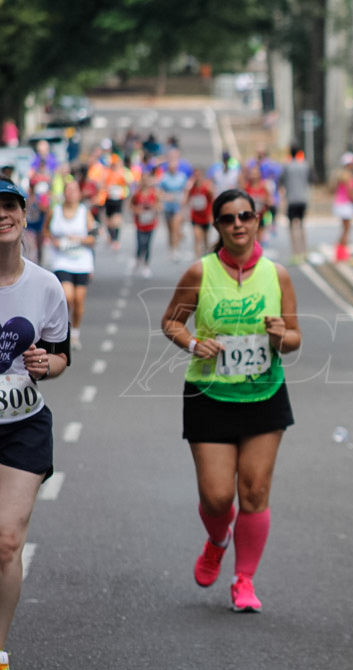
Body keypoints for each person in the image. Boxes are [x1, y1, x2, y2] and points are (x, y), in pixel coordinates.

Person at [160, 189, 302, 613]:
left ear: (257, 220)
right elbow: (170, 321)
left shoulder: (278, 275)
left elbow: (294, 340)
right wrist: (192, 342)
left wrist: (280, 335)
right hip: (209, 395)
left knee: (255, 492)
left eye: (245, 215)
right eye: (227, 219)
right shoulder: (199, 273)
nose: (237, 224)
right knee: (218, 497)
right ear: (218, 227)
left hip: (264, 394)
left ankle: (244, 580)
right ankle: (218, 539)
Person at [0, 178, 70, 670]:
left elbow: (63, 354)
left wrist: (48, 364)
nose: (2, 215)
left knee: (6, 541)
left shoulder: (46, 286)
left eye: (10, 206)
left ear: (24, 217)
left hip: (22, 424)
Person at [44, 178, 97, 351]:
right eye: (69, 190)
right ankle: (62, 331)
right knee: (67, 297)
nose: (71, 193)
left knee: (79, 301)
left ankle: (75, 333)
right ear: (64, 192)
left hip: (81, 261)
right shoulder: (55, 211)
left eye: (75, 190)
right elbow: (46, 229)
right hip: (62, 260)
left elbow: (92, 238)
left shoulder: (84, 212)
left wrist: (79, 239)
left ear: (79, 194)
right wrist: (53, 241)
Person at [278, 146, 311, 264]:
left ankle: (295, 253)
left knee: (292, 227)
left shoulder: (286, 166)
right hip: (303, 199)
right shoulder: (304, 165)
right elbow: (310, 179)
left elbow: (280, 182)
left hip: (291, 200)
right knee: (302, 225)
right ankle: (304, 251)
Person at [158, 149, 190, 261]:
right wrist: (165, 197)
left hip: (177, 206)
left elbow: (186, 190)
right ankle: (171, 248)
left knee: (175, 227)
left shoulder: (181, 177)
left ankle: (176, 249)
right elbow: (159, 190)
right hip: (168, 206)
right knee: (169, 229)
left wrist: (184, 200)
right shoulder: (164, 177)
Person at [330, 153, 353, 263]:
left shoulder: (340, 175)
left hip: (339, 204)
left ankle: (340, 254)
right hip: (345, 205)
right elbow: (350, 192)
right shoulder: (347, 176)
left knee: (344, 229)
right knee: (346, 230)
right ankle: (342, 255)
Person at [130, 170, 159, 277]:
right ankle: (138, 258)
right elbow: (131, 206)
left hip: (151, 223)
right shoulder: (137, 194)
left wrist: (153, 208)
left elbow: (158, 206)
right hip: (140, 223)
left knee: (147, 244)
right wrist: (137, 210)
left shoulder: (153, 194)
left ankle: (146, 265)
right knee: (140, 243)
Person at [186, 166, 215, 258]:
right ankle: (198, 260)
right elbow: (186, 200)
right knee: (197, 238)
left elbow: (212, 198)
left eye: (199, 175)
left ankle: (206, 257)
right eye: (195, 175)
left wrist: (211, 215)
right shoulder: (191, 188)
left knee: (206, 240)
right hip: (195, 217)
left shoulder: (207, 187)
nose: (197, 177)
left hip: (205, 217)